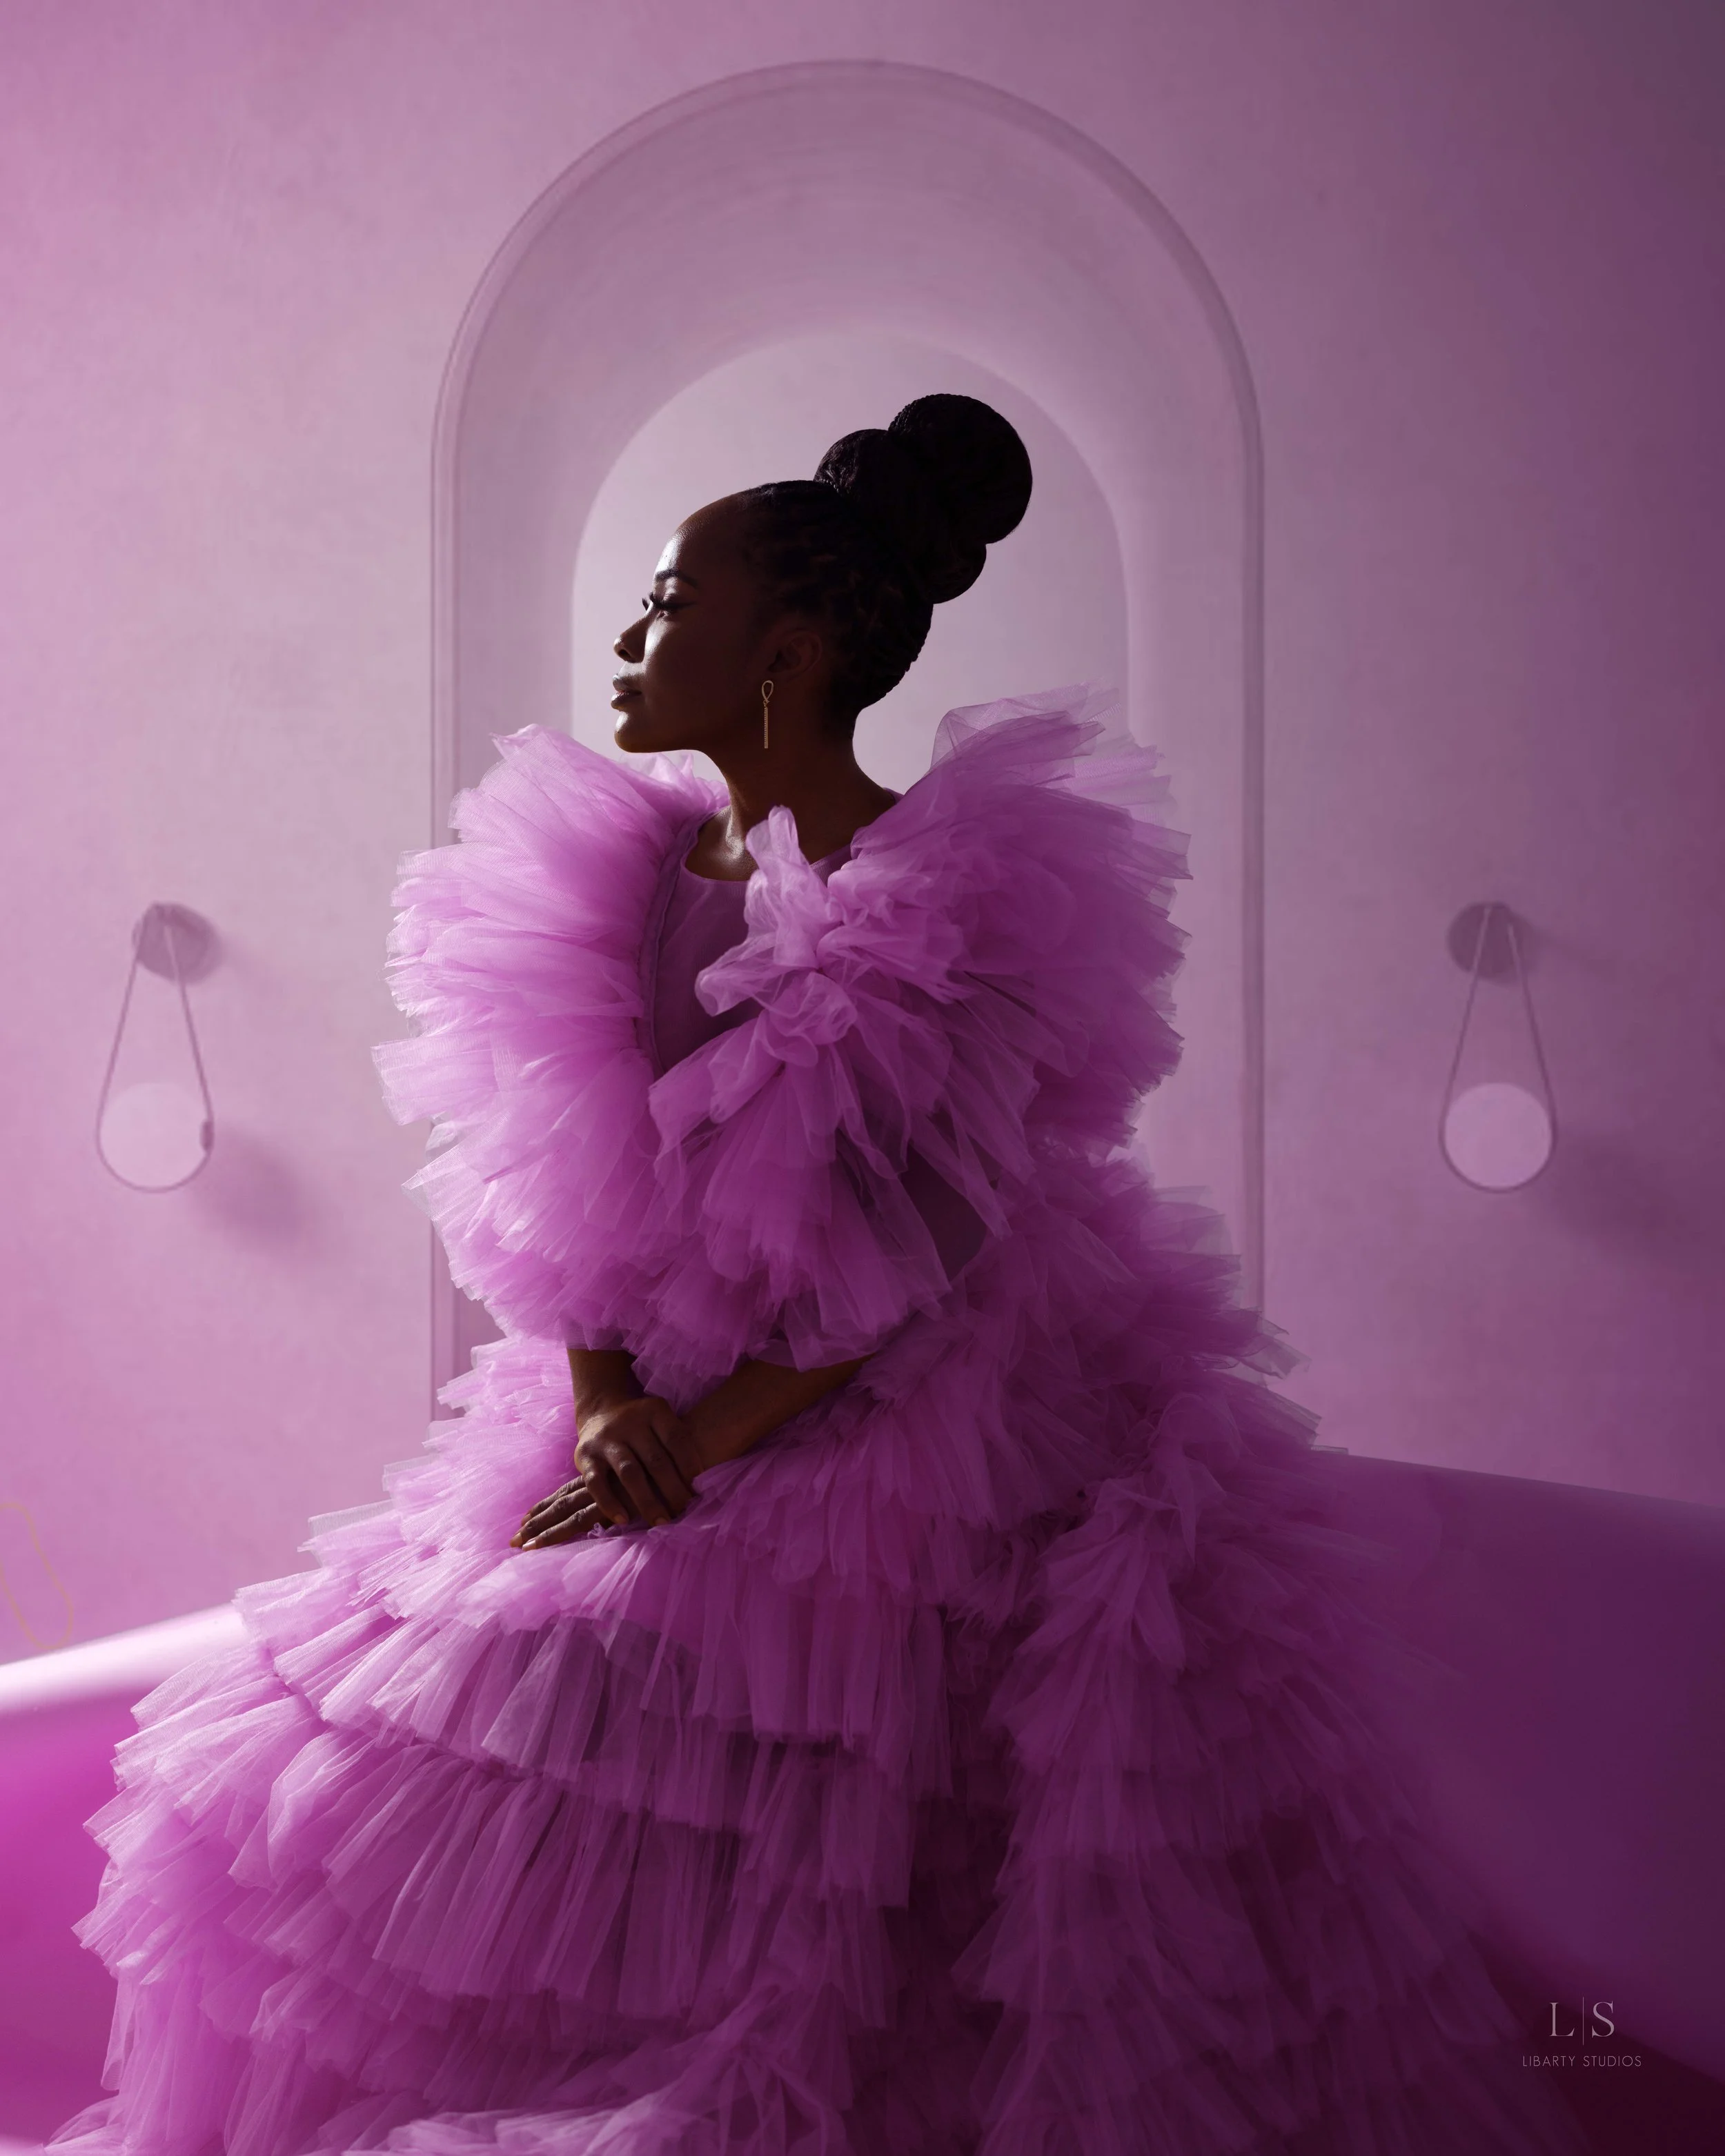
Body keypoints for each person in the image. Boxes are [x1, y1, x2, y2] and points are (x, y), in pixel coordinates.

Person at [49, 395, 1586, 2155]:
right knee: (348, 1736)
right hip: (658, 1398)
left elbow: (921, 1257)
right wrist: (617, 1405)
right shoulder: (614, 870)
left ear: (782, 645)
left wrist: (694, 1452)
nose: (629, 637)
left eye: (665, 597)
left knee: (735, 1687)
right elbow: (570, 1198)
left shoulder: (952, 886)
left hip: (921, 1406)